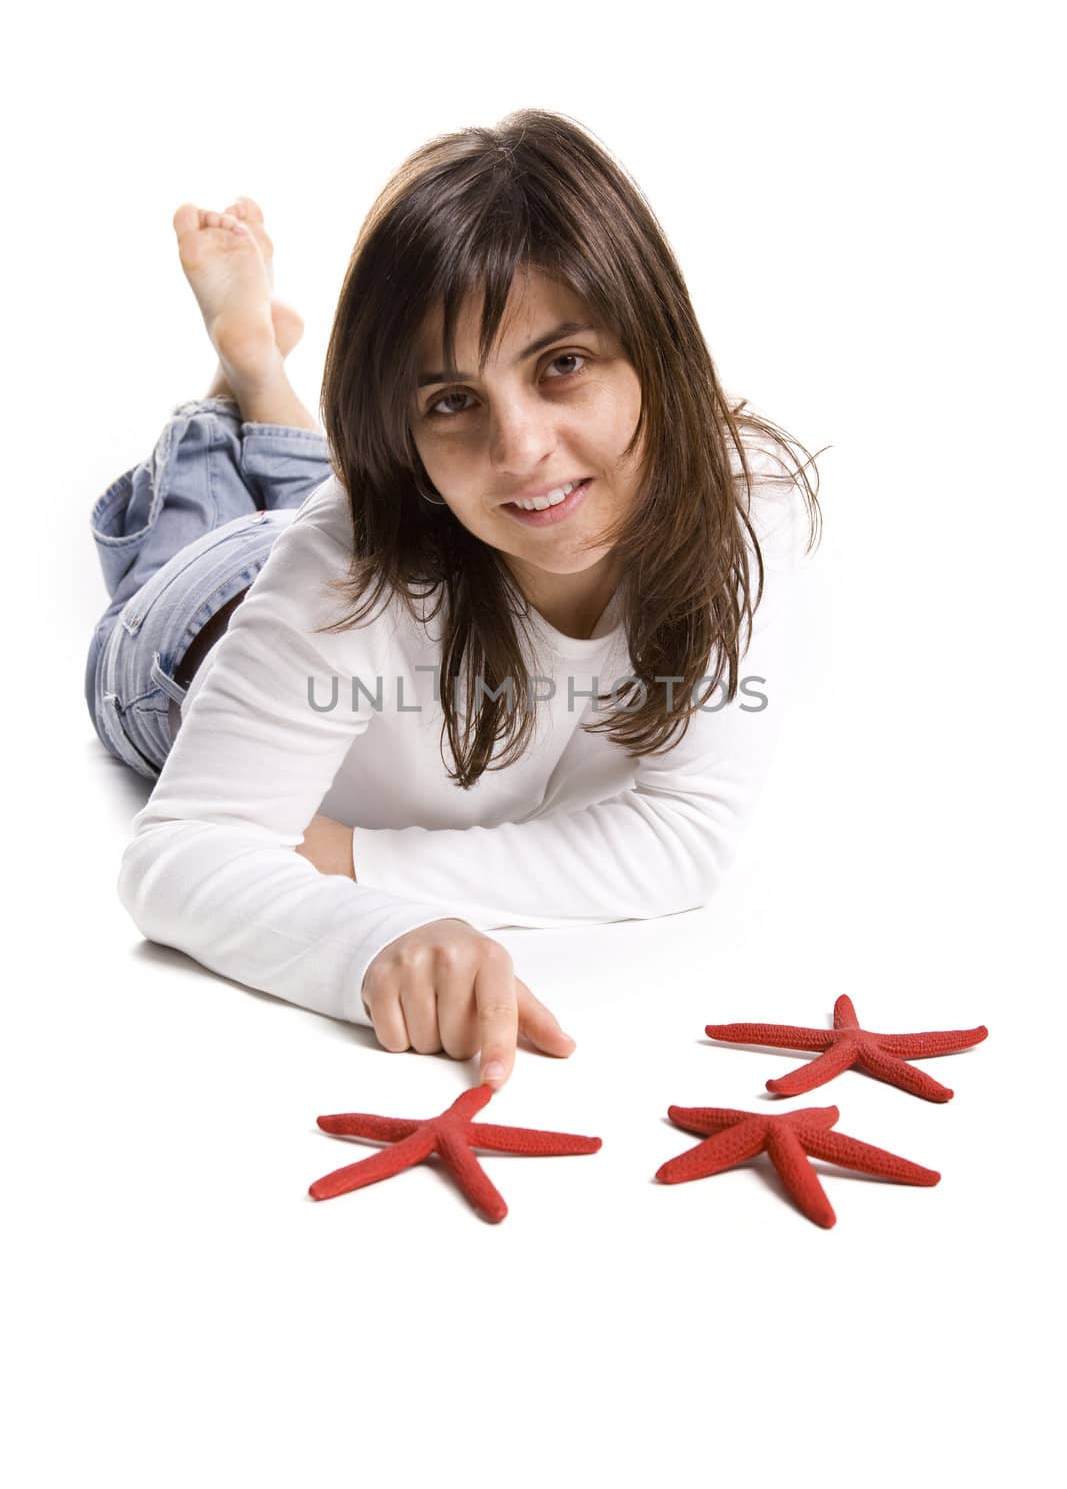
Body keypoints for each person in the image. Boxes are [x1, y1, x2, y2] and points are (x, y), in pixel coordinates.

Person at [86, 108, 824, 1092]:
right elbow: (176, 854)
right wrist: (369, 944)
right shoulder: (346, 562)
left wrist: (357, 857)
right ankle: (237, 386)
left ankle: (258, 368)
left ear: (653, 344)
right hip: (187, 641)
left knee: (336, 500)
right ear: (409, 434)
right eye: (449, 401)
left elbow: (684, 838)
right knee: (198, 544)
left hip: (409, 529)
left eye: (560, 365)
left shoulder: (744, 502)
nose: (519, 447)